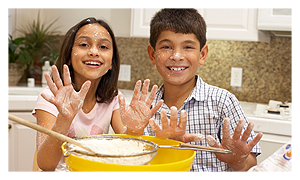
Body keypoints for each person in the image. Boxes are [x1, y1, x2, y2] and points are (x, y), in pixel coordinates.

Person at [32, 17, 162, 171]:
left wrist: (134, 130)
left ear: (112, 63)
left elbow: (129, 150)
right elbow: (46, 164)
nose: (93, 52)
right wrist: (64, 119)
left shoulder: (112, 99)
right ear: (68, 56)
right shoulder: (51, 99)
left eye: (103, 47)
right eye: (84, 44)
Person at [144, 9, 263, 172]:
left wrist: (239, 161)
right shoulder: (145, 109)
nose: (177, 56)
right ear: (152, 54)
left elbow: (249, 164)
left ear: (202, 54)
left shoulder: (223, 101)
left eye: (187, 47)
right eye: (166, 46)